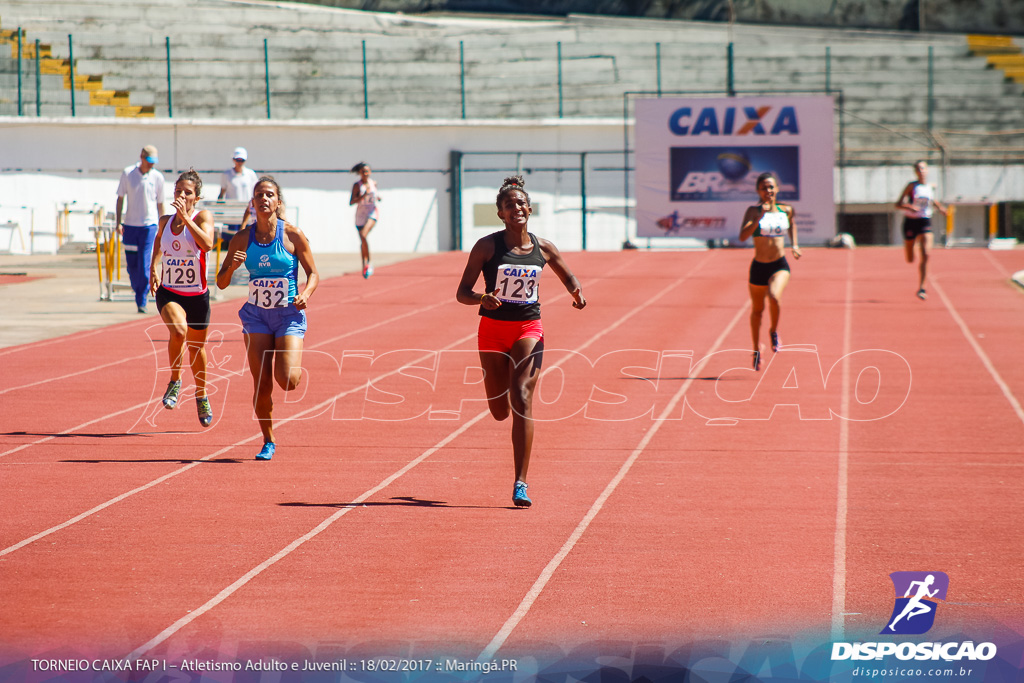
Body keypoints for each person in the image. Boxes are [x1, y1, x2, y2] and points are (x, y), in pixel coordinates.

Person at [456, 175, 586, 508]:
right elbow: (462, 293)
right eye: (509, 205)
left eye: (521, 203)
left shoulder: (544, 248)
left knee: (523, 397)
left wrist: (576, 292)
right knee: (500, 411)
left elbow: (565, 272)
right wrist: (481, 298)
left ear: (530, 208)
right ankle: (501, 408)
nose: (517, 208)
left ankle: (521, 482)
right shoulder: (487, 246)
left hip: (528, 327)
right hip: (492, 331)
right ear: (500, 213)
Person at [216, 177, 320, 461]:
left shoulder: (293, 235)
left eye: (269, 195)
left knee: (287, 381)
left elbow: (313, 273)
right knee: (262, 384)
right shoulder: (241, 238)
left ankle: (288, 363)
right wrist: (233, 266)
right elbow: (221, 283)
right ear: (253, 202)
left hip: (288, 314)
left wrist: (306, 294)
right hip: (256, 316)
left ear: (278, 202)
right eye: (259, 195)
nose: (264, 199)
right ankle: (268, 439)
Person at [148, 169, 216, 426]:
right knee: (178, 332)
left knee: (197, 349)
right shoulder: (165, 221)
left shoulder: (203, 217)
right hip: (170, 292)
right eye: (178, 191)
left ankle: (201, 395)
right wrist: (153, 267)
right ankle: (175, 381)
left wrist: (187, 219)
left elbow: (208, 244)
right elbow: (158, 243)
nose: (182, 195)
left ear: (196, 198)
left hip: (197, 296)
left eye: (188, 192)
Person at [739, 171, 801, 371]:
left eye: (771, 187)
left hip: (779, 264)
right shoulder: (752, 211)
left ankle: (774, 331)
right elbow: (742, 236)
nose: (768, 191)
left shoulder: (786, 209)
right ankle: (756, 349)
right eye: (764, 187)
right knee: (757, 311)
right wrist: (759, 219)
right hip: (758, 266)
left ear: (777, 189)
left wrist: (795, 245)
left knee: (774, 296)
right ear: (758, 190)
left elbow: (792, 224)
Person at [115, 144, 165, 313]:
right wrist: (118, 222)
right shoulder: (128, 173)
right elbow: (120, 198)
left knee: (145, 265)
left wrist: (162, 225)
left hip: (149, 226)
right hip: (130, 226)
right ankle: (138, 290)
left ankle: (141, 299)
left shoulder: (158, 177)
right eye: (149, 161)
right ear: (141, 157)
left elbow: (160, 203)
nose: (151, 165)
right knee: (132, 266)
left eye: (154, 162)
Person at [895, 160, 948, 300]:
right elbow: (898, 204)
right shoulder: (912, 186)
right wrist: (909, 207)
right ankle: (912, 247)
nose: (921, 171)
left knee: (926, 254)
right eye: (919, 169)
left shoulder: (930, 187)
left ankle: (922, 288)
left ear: (927, 170)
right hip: (910, 222)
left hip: (925, 221)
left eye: (923, 168)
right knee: (910, 258)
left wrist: (941, 208)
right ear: (915, 171)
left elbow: (931, 201)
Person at [219, 147, 258, 244]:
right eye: (238, 159)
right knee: (232, 239)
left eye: (242, 160)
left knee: (247, 237)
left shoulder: (250, 174)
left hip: (246, 211)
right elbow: (222, 192)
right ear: (233, 159)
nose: (239, 162)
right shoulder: (227, 174)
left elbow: (256, 191)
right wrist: (220, 208)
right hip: (231, 212)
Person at [349, 162, 380, 278]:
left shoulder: (374, 183)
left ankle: (369, 263)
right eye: (363, 172)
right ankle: (364, 263)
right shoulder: (357, 185)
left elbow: (375, 195)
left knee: (363, 234)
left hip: (372, 213)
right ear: (360, 173)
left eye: (367, 171)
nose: (365, 173)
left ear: (370, 172)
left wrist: (378, 197)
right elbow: (351, 202)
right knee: (363, 239)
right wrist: (363, 196)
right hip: (360, 216)